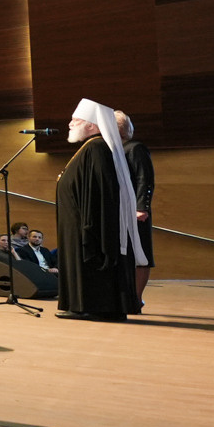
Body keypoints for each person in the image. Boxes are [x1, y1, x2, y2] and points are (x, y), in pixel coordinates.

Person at [55, 98, 144, 321]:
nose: (70, 124)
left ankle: (93, 306)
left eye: (76, 120)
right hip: (77, 220)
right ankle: (81, 305)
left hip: (87, 222)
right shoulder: (92, 147)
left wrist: (89, 223)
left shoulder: (96, 147)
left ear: (92, 125)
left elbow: (101, 190)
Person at [117, 111, 155, 306]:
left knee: (140, 255)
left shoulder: (135, 148)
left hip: (135, 211)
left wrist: (142, 207)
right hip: (120, 211)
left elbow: (144, 179)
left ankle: (136, 298)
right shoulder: (113, 150)